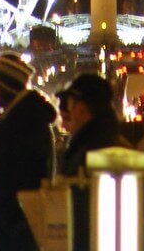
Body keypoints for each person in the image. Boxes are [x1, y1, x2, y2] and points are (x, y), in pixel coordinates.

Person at [0, 52, 57, 251]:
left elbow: (18, 180)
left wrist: (7, 227)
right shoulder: (15, 119)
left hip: (16, 233)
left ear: (6, 85)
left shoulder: (25, 123)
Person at [56, 73, 131, 251]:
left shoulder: (92, 151)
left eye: (70, 106)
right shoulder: (106, 141)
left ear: (81, 110)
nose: (66, 114)